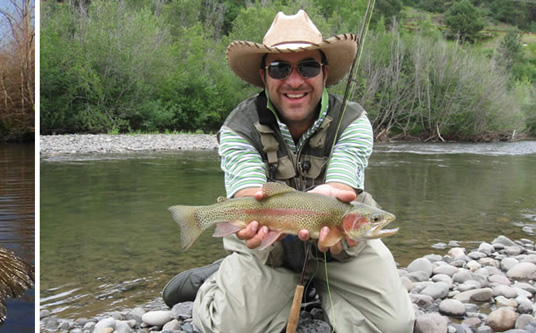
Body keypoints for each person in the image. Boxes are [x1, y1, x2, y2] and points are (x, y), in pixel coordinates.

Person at [161, 10, 414, 332]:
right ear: (264, 75)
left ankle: (317, 283)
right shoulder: (238, 127)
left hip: (341, 244)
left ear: (324, 73)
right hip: (268, 243)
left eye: (307, 66)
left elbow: (343, 177)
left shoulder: (353, 120)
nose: (294, 81)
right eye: (280, 68)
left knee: (396, 327)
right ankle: (215, 279)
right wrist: (242, 220)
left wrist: (334, 202)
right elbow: (247, 186)